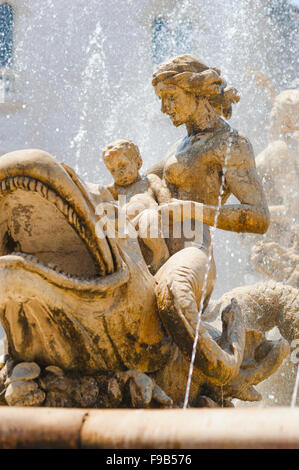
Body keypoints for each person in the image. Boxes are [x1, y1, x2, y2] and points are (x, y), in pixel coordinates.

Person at [102, 138, 170, 273]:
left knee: (149, 216)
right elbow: (98, 193)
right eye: (113, 170)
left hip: (149, 222)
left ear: (138, 163)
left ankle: (160, 255)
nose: (118, 173)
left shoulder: (149, 180)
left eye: (122, 166)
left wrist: (166, 205)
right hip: (127, 230)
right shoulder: (116, 189)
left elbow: (165, 198)